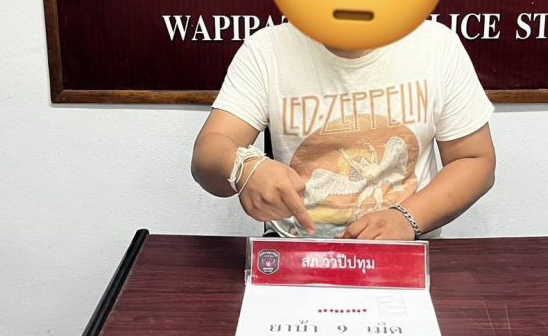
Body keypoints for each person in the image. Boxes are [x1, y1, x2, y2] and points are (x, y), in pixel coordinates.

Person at [191, 18, 496, 240]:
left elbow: (475, 160)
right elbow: (209, 152)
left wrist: (407, 219)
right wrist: (243, 167)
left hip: (410, 249)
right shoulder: (267, 49)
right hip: (297, 253)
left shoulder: (435, 44)